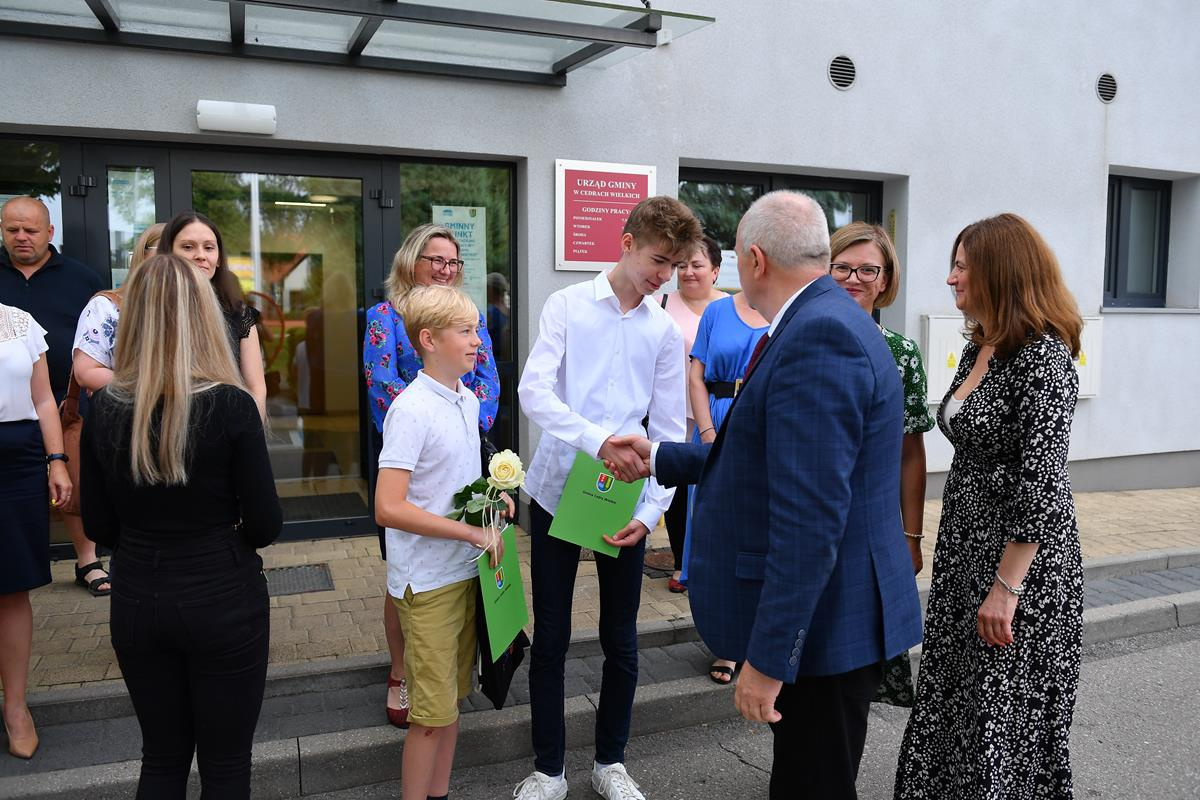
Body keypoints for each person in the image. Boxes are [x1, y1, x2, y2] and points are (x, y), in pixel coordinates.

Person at [608, 191, 923, 799]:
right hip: (831, 616)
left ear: (755, 259)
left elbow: (811, 522)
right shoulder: (823, 319)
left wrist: (771, 659)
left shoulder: (819, 335)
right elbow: (769, 455)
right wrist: (661, 457)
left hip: (826, 628)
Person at [894, 213, 1084, 799]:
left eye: (962, 267)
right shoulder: (984, 344)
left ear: (1000, 273)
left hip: (1019, 567)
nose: (950, 278)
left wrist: (1006, 588)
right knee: (957, 701)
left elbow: (1042, 481)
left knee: (1002, 712)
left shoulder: (1043, 357)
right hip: (966, 550)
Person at [513, 195, 696, 800]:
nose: (665, 275)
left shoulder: (663, 332)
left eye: (675, 266)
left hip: (625, 499)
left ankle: (610, 762)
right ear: (627, 242)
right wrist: (599, 442)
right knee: (552, 635)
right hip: (557, 488)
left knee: (622, 637)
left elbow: (667, 430)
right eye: (658, 260)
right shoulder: (567, 305)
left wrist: (651, 511)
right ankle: (548, 769)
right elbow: (533, 393)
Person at [80, 254, 281, 799]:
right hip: (223, 593)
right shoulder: (232, 405)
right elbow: (265, 524)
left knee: (162, 759)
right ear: (203, 315)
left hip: (137, 592)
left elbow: (98, 524)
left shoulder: (105, 408)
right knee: (226, 766)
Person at [373, 284, 508, 800]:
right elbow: (389, 507)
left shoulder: (467, 400)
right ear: (428, 340)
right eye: (466, 332)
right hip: (427, 583)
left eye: (478, 330)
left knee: (449, 706)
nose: (478, 341)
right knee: (428, 718)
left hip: (464, 572)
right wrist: (471, 531)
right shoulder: (410, 410)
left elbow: (451, 485)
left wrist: (492, 497)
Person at [362, 223, 500, 729]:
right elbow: (382, 385)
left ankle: (444, 667)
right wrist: (431, 417)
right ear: (411, 262)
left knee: (450, 567)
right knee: (405, 569)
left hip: (460, 443)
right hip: (407, 454)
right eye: (435, 259)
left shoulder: (467, 314)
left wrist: (464, 419)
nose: (445, 269)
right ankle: (401, 671)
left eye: (452, 261)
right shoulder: (385, 316)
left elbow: (487, 379)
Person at [0, 195, 108, 596]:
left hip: (67, 398)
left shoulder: (82, 278)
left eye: (30, 230)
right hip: (10, 405)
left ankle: (87, 560)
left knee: (74, 478)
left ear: (49, 232)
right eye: (12, 229)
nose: (21, 237)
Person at [683, 244, 769, 685]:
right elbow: (696, 376)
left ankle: (759, 640)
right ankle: (726, 643)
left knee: (756, 535)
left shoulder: (783, 313)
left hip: (761, 429)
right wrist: (707, 433)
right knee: (716, 533)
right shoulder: (717, 312)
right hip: (715, 423)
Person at [829, 222, 934, 573]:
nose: (852, 278)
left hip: (873, 519)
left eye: (867, 270)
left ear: (885, 280)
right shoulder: (796, 340)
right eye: (842, 267)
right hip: (806, 516)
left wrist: (912, 537)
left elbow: (910, 453)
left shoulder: (901, 353)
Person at [0, 301, 71, 759]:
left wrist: (57, 461)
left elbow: (44, 399)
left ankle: (16, 707)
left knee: (12, 587)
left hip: (17, 462)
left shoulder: (19, 322)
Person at [656, 235, 726, 594]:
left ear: (715, 270)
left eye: (697, 265)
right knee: (678, 488)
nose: (688, 272)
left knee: (714, 487)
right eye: (681, 265)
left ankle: (712, 559)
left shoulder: (732, 307)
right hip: (673, 414)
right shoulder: (661, 304)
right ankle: (681, 562)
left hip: (716, 413)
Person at [159, 211, 267, 419]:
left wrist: (253, 434)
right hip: (165, 426)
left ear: (218, 259)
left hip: (229, 428)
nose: (201, 255)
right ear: (168, 254)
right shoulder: (152, 310)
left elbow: (256, 389)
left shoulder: (239, 314)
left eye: (209, 248)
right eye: (188, 247)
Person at [72, 223, 164, 392]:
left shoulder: (198, 306)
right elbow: (86, 372)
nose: (175, 258)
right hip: (128, 405)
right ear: (143, 254)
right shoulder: (106, 307)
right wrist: (155, 390)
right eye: (166, 249)